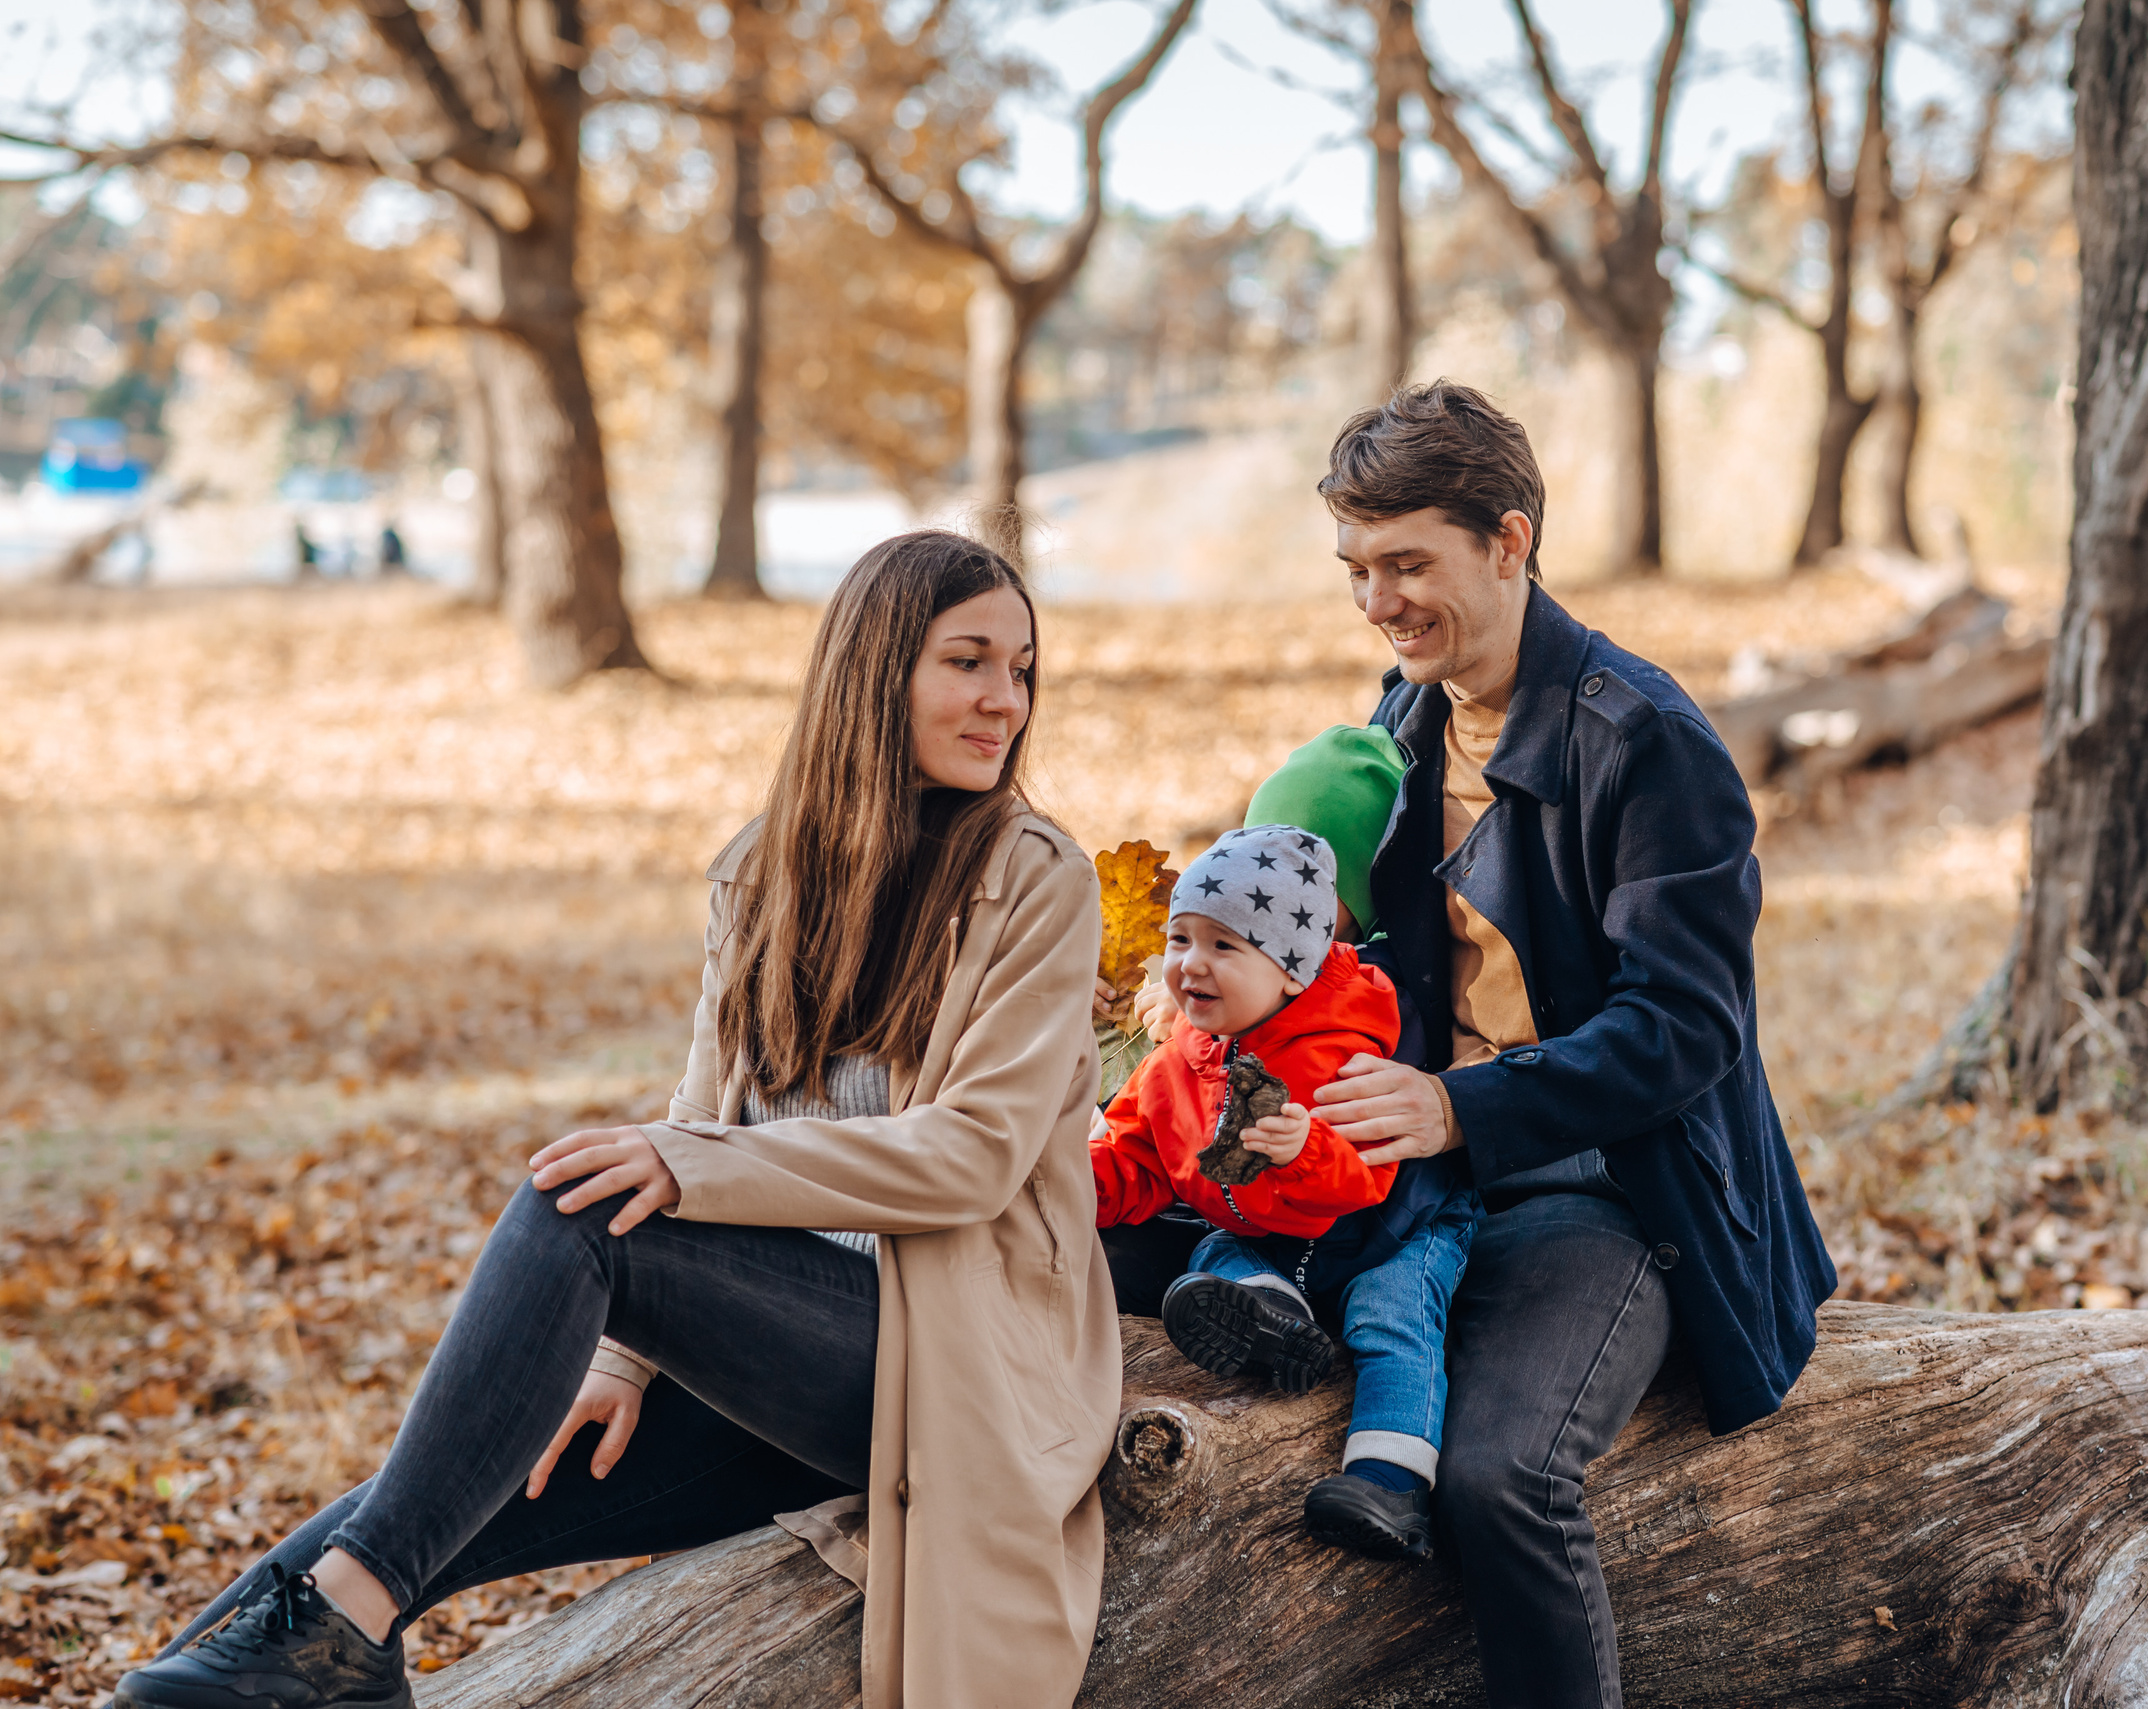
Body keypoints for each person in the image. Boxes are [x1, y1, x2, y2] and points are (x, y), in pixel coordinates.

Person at [114, 530, 1119, 1709]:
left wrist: (689, 1173)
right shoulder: (762, 871)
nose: (1005, 698)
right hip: (759, 1368)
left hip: (945, 1359)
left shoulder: (1036, 876)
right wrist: (621, 1357)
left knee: (584, 1203)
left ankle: (341, 1634)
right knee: (369, 1539)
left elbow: (973, 1156)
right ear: (874, 667)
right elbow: (702, 1111)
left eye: (1023, 668)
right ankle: (286, 1659)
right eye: (969, 661)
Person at [1305, 382, 1839, 1709]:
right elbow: (1386, 955)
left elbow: (1686, 1027)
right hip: (1433, 1170)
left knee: (1499, 1471)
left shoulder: (1647, 742)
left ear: (1510, 539)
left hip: (1608, 1187)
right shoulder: (1404, 718)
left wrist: (1454, 1110)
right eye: (1359, 570)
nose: (1380, 600)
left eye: (1409, 564)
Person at [1089, 817, 1478, 1561]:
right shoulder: (1182, 1054)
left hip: (1389, 1230)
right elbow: (1137, 1154)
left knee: (1390, 1317)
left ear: (1290, 971)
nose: (1190, 965)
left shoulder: (1340, 1050)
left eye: (1224, 945)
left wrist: (1304, 1149)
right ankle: (1273, 1315)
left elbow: (1367, 1178)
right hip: (1271, 1235)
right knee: (1214, 1251)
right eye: (1181, 940)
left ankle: (1391, 1480)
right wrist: (1075, 1185)